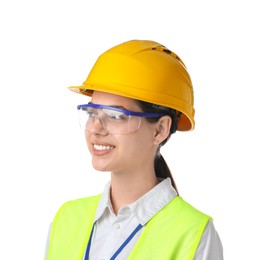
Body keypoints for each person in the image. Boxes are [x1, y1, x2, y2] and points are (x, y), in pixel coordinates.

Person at [45, 39, 223, 259]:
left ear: (159, 130)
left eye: (115, 116)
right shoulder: (66, 219)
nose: (95, 129)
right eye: (92, 113)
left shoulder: (193, 233)